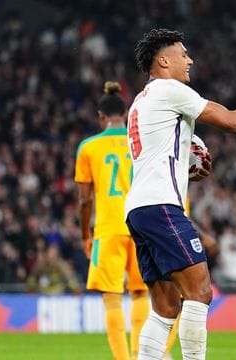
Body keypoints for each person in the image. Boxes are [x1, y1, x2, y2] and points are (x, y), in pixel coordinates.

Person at [125, 28, 236, 360]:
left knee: (165, 307)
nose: (190, 59)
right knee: (200, 292)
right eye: (183, 54)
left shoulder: (141, 101)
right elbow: (232, 121)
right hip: (161, 206)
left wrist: (188, 166)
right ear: (164, 60)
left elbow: (162, 154)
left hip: (139, 209)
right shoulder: (170, 90)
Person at [75, 81, 150, 360]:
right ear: (127, 112)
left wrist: (85, 234)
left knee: (112, 299)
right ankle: (141, 356)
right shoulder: (140, 143)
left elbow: (84, 201)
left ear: (100, 116)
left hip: (108, 229)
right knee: (141, 294)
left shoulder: (88, 147)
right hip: (142, 228)